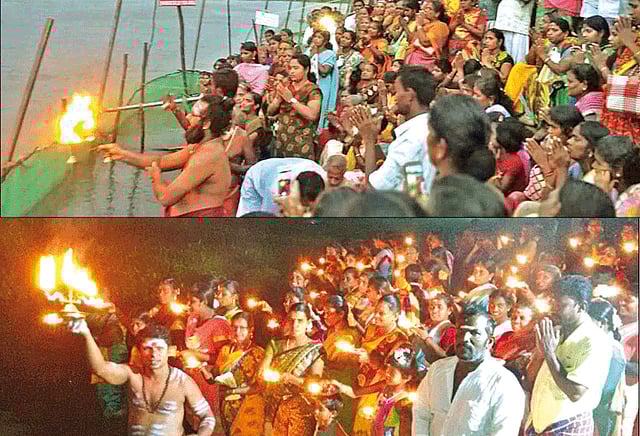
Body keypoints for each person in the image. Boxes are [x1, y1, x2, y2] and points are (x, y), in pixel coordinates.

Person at [68, 320, 215, 436]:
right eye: (147, 349)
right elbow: (100, 369)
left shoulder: (182, 382)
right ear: (138, 351)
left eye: (159, 348)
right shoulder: (133, 375)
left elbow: (208, 417)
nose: (154, 354)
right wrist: (86, 333)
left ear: (169, 351)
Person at [98, 95, 233, 217]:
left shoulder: (208, 155)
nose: (187, 119)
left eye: (193, 115)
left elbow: (166, 197)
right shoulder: (200, 146)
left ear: (207, 124)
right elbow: (161, 161)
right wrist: (121, 154)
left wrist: (155, 177)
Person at [412, 303, 526, 435]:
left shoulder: (504, 383)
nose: (465, 338)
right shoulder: (438, 370)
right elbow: (421, 414)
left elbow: (503, 431)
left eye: (475, 333)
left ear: (489, 342)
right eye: (461, 332)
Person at [525, 275, 612, 435]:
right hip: (539, 423)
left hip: (568, 424)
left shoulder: (594, 341)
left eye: (562, 305)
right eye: (553, 303)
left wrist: (550, 355)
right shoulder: (556, 332)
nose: (554, 309)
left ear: (581, 306)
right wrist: (539, 355)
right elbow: (528, 382)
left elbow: (576, 392)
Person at [349, 65, 437, 193]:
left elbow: (373, 189)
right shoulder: (431, 126)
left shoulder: (410, 139)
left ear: (410, 95)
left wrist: (369, 139)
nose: (395, 98)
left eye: (397, 92)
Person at [257, 303, 327, 436]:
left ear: (308, 323)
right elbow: (261, 373)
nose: (295, 325)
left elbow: (315, 384)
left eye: (300, 321)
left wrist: (291, 379)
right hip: (273, 407)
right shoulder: (275, 344)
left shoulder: (316, 350)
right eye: (292, 320)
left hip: (301, 410)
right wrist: (267, 375)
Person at [201, 312, 265, 435]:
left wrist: (233, 391)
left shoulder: (258, 354)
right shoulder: (226, 350)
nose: (238, 331)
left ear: (251, 330)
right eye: (235, 327)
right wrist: (202, 369)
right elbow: (214, 378)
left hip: (249, 409)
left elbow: (260, 387)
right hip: (226, 408)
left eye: (242, 328)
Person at [181, 281, 233, 432]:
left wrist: (195, 355)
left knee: (208, 423)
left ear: (203, 302)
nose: (189, 305)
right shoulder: (192, 319)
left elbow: (223, 359)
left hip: (208, 381)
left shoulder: (219, 324)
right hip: (191, 379)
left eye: (193, 301)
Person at [426, 95, 495, 181]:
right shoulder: (490, 187)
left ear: (440, 147)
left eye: (430, 132)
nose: (427, 138)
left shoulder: (439, 189)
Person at [267, 54, 322, 160]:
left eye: (296, 68)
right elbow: (270, 112)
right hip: (281, 141)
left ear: (306, 69)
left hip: (301, 143)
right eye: (290, 68)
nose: (291, 71)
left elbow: (312, 115)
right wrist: (277, 100)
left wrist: (291, 100)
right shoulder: (286, 87)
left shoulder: (313, 90)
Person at [588, 298, 626, 436]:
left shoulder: (614, 349)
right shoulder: (594, 343)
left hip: (600, 413)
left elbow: (607, 390)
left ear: (603, 323)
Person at [236, 157, 326, 216]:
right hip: (257, 176)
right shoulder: (279, 191)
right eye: (304, 204)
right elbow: (268, 219)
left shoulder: (324, 178)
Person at [308, 30, 339, 130]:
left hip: (323, 86)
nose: (316, 39)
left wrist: (315, 57)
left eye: (319, 37)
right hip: (310, 85)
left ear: (325, 41)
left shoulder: (329, 54)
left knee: (320, 109)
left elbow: (324, 71)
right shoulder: (309, 51)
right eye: (315, 37)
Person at [404, 0, 449, 69]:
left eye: (430, 9)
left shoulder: (441, 26)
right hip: (412, 57)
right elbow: (410, 40)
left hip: (424, 60)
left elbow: (425, 42)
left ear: (437, 14)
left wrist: (419, 25)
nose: (426, 10)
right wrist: (418, 24)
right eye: (425, 8)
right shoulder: (425, 24)